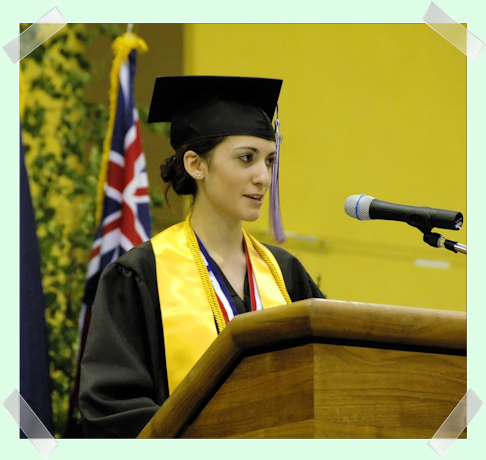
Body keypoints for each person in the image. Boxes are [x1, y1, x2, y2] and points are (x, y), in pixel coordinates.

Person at [79, 76, 325, 438]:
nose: (263, 176)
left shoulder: (285, 274)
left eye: (269, 160)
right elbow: (110, 406)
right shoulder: (141, 275)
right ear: (196, 165)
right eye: (246, 158)